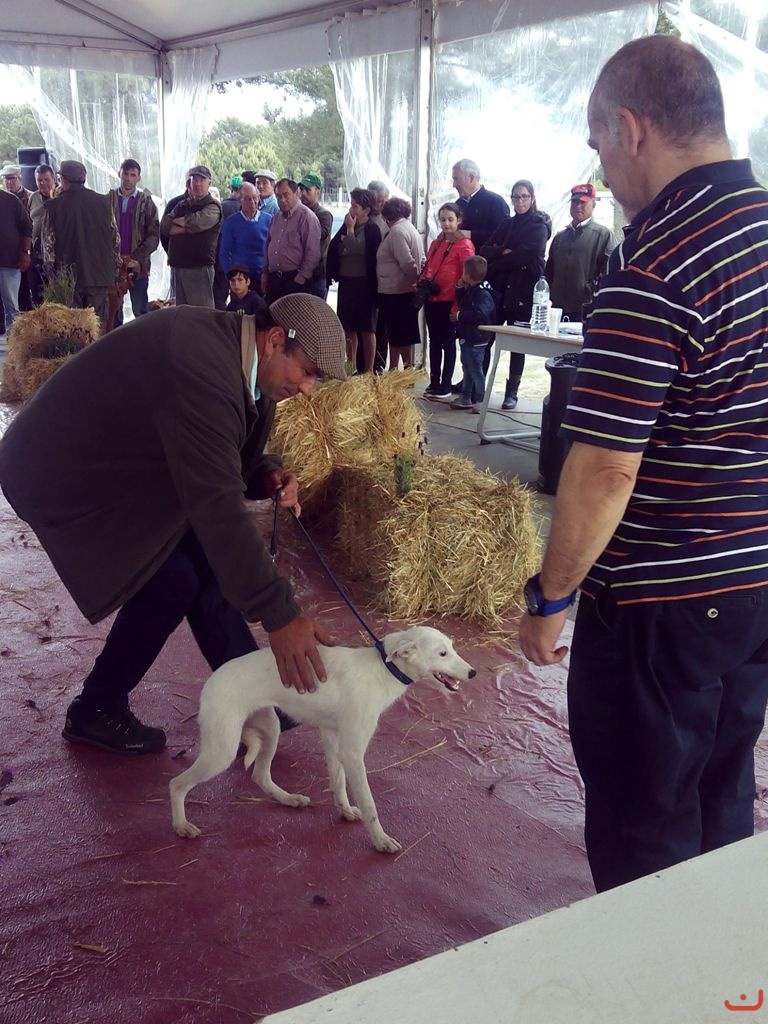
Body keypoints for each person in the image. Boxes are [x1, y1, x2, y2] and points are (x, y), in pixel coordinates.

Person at [519, 35, 768, 893]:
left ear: (631, 129)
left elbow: (604, 469)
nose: (602, 165)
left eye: (598, 144)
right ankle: (720, 958)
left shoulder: (655, 266)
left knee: (645, 827)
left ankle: (653, 964)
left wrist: (551, 598)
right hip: (754, 579)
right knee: (722, 786)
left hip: (662, 602)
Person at [0, 293, 347, 754]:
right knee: (171, 580)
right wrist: (280, 614)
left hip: (119, 464)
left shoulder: (244, 361)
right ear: (275, 340)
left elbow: (224, 458)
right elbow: (219, 508)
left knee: (205, 561)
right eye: (306, 372)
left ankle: (256, 702)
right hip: (61, 470)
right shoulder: (202, 367)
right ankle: (95, 710)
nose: (308, 389)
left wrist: (265, 473)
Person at [480, 179, 550, 410]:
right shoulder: (507, 224)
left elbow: (525, 256)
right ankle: (477, 386)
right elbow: (485, 249)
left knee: (516, 344)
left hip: (523, 290)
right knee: (487, 338)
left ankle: (512, 392)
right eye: (516, 197)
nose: (520, 201)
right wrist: (503, 250)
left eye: (524, 196)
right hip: (500, 289)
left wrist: (501, 258)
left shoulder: (539, 226)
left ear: (532, 198)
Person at [40, 159, 119, 330]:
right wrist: (114, 270)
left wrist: (52, 276)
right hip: (99, 276)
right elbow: (115, 239)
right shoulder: (104, 202)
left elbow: (48, 245)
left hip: (68, 280)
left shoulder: (54, 206)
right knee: (97, 328)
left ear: (64, 179)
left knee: (72, 329)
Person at [420, 202, 474, 400]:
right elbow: (429, 267)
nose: (446, 224)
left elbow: (468, 276)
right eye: (442, 220)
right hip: (432, 299)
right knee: (434, 341)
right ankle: (434, 381)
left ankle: (445, 384)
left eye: (450, 219)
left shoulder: (464, 245)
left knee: (448, 342)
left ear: (459, 220)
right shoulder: (437, 243)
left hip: (450, 301)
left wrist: (458, 305)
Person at [326, 187, 382, 372]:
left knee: (367, 328)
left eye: (355, 206)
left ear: (366, 210)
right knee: (348, 327)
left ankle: (368, 370)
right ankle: (351, 367)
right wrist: (348, 244)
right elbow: (337, 247)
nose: (351, 210)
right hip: (347, 282)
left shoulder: (372, 229)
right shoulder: (347, 225)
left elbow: (356, 248)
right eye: (351, 205)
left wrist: (349, 233)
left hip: (365, 284)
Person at [545, 183, 614, 322]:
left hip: (586, 308)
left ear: (593, 205)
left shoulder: (603, 235)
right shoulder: (560, 237)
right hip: (557, 309)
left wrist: (590, 290)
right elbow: (549, 271)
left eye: (583, 203)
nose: (578, 206)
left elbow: (610, 272)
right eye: (575, 202)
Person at [159, 165, 222, 308]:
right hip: (178, 266)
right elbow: (164, 226)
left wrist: (181, 225)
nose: (198, 184)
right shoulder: (181, 204)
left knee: (201, 313)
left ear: (209, 183)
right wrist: (186, 227)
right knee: (181, 312)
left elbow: (195, 223)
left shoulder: (213, 206)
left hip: (199, 268)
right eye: (194, 180)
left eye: (202, 180)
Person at [107, 158, 160, 325]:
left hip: (138, 265)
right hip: (113, 265)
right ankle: (116, 341)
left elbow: (154, 236)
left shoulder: (147, 203)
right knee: (113, 311)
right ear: (119, 174)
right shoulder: (108, 200)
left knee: (140, 310)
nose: (128, 178)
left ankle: (142, 340)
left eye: (132, 175)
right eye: (125, 174)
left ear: (139, 178)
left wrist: (136, 257)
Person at [375, 196, 424, 371]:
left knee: (400, 333)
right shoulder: (409, 228)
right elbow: (420, 258)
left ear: (387, 217)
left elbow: (407, 262)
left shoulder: (397, 232)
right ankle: (395, 369)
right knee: (398, 333)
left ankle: (405, 370)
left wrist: (414, 280)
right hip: (400, 290)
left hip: (396, 290)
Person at [261, 179, 321, 304]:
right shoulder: (275, 218)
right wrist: (265, 274)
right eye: (278, 196)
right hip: (274, 279)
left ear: (296, 193)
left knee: (293, 316)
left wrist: (301, 278)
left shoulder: (306, 217)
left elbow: (313, 253)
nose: (282, 200)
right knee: (272, 315)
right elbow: (268, 246)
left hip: (295, 279)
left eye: (286, 195)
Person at [449, 255, 496, 412]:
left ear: (468, 275)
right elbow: (463, 303)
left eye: (463, 272)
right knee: (467, 368)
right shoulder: (471, 290)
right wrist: (459, 288)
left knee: (475, 370)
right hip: (468, 336)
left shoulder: (483, 293)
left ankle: (480, 399)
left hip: (477, 339)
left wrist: (459, 316)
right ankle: (465, 397)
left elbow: (480, 314)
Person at [219, 181, 271, 289]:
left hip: (263, 276)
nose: (252, 201)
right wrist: (231, 276)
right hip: (240, 279)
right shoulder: (231, 222)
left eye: (254, 197)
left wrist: (267, 273)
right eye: (247, 198)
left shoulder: (269, 220)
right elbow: (224, 252)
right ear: (240, 200)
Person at [451, 159, 509, 249]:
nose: (454, 185)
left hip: (484, 257)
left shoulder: (496, 202)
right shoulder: (458, 203)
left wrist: (471, 235)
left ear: (471, 177)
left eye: (456, 179)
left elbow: (503, 235)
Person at [366, 179, 391, 373]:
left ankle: (379, 366)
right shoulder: (363, 216)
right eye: (377, 201)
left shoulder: (391, 220)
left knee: (382, 325)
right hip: (365, 277)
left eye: (383, 201)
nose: (379, 205)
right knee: (366, 325)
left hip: (385, 279)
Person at [0, 186, 32, 334]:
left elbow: (26, 227)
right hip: (9, 262)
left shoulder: (10, 200)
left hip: (9, 261)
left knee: (12, 307)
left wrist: (25, 252)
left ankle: (14, 341)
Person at [299, 173, 333, 300]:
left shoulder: (324, 215)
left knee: (317, 309)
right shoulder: (297, 213)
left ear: (317, 191)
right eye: (301, 189)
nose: (303, 193)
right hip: (300, 271)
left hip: (317, 274)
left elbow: (318, 235)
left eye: (307, 190)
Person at [27, 163, 57, 305]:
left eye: (46, 179)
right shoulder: (33, 197)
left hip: (57, 255)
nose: (43, 183)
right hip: (37, 253)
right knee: (37, 293)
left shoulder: (61, 196)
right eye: (40, 180)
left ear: (54, 179)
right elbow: (29, 220)